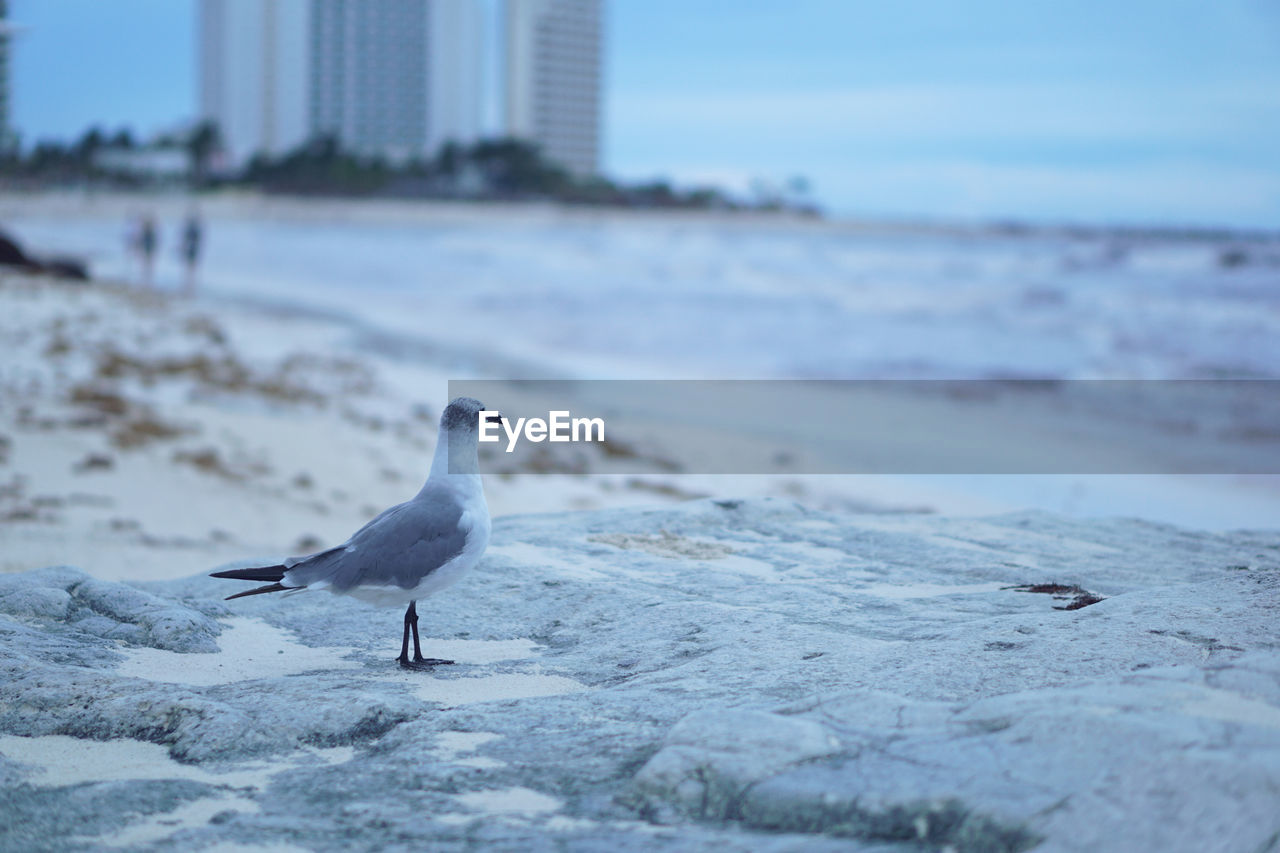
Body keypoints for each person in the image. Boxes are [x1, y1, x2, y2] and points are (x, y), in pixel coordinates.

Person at [180, 211, 203, 294]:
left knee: (191, 267)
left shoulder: (193, 229)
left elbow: (198, 240)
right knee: (190, 267)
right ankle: (189, 283)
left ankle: (190, 283)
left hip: (193, 249)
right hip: (191, 249)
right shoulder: (192, 229)